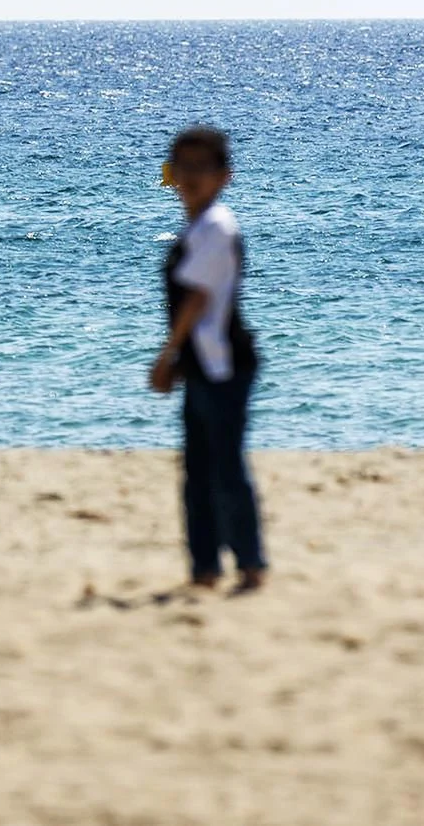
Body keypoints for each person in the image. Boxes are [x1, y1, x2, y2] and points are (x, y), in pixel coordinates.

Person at [148, 125, 266, 593]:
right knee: (199, 471)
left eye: (202, 167)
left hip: (223, 365)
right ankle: (205, 569)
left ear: (224, 176)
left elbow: (198, 299)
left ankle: (250, 564)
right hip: (201, 362)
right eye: (184, 167)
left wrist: (168, 353)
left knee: (224, 469)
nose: (191, 176)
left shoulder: (217, 226)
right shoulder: (198, 226)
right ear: (171, 174)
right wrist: (180, 357)